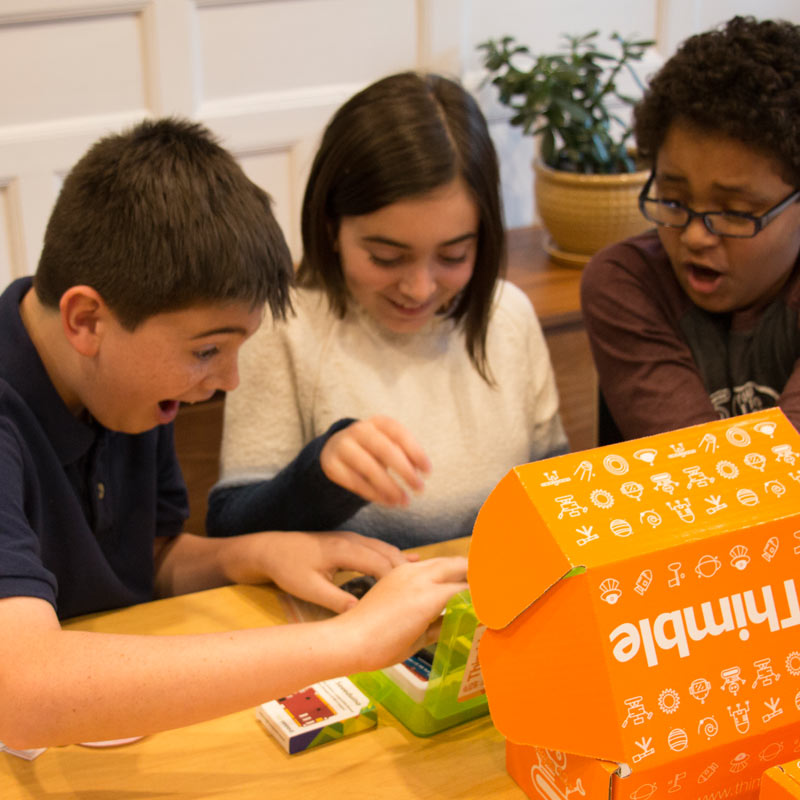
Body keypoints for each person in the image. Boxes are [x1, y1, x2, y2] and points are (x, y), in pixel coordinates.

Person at [0, 117, 468, 750]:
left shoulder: (125, 385)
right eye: (207, 351)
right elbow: (23, 692)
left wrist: (252, 554)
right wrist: (347, 643)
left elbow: (151, 557)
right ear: (87, 319)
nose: (227, 380)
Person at [207, 72, 568, 548]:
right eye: (386, 257)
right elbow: (230, 528)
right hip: (354, 610)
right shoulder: (285, 327)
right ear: (331, 226)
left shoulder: (508, 317)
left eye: (454, 256)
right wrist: (320, 475)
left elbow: (559, 497)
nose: (418, 288)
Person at [581, 16, 800, 442]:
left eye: (736, 212)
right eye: (674, 201)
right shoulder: (628, 282)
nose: (695, 237)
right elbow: (698, 472)